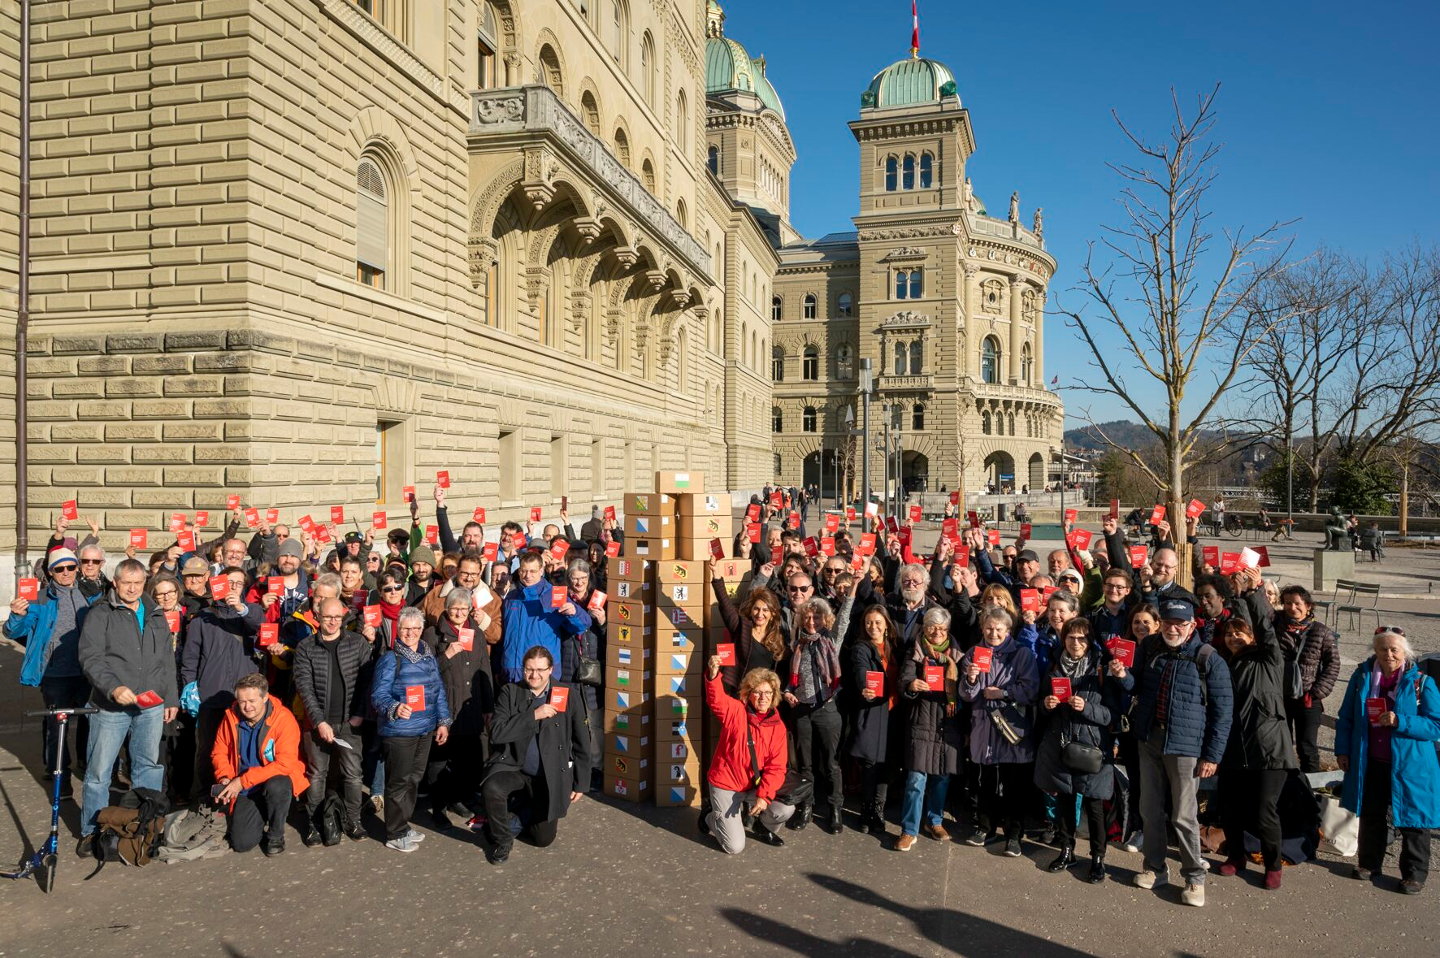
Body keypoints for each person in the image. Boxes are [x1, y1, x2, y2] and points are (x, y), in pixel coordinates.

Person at [1121, 595, 1233, 907]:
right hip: (1150, 740)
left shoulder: (1209, 659)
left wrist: (1212, 756)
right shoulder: (1150, 648)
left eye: (1180, 624)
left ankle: (1195, 879)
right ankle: (1154, 868)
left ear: (1192, 625)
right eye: (1169, 622)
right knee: (1150, 810)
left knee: (1184, 816)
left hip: (1187, 748)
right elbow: (1137, 686)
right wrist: (1122, 676)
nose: (1173, 629)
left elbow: (1223, 714)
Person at [75, 558, 179, 856]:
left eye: (137, 582)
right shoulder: (100, 613)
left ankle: (144, 829)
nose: (132, 588)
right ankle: (91, 831)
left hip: (151, 705)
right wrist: (112, 687)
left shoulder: (156, 613)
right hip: (111, 707)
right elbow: (90, 658)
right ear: (115, 583)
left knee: (148, 766)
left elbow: (166, 660)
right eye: (126, 583)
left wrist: (170, 697)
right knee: (99, 772)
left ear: (144, 582)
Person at [1335, 627, 1440, 895]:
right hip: (1371, 760)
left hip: (1411, 765)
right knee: (1371, 815)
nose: (1388, 654)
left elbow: (1436, 725)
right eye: (1383, 649)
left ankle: (1414, 875)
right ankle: (1369, 864)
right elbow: (1347, 717)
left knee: (1414, 821)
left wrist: (1401, 721)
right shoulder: (1362, 678)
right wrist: (1342, 751)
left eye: (1394, 649)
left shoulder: (1421, 682)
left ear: (1405, 652)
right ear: (1375, 651)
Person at [1211, 573, 1294, 890]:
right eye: (1229, 633)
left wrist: (1254, 592)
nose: (1233, 638)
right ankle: (1236, 856)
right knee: (1230, 808)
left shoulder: (1269, 658)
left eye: (1239, 633)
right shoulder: (1223, 664)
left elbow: (1265, 626)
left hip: (1269, 748)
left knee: (1264, 811)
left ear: (1253, 636)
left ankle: (1273, 863)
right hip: (1234, 747)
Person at [480, 645, 591, 865]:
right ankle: (503, 840)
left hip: (548, 775)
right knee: (492, 787)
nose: (534, 675)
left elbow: (582, 741)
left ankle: (518, 814)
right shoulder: (510, 691)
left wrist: (581, 783)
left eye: (541, 669)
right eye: (529, 669)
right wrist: (533, 715)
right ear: (523, 669)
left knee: (543, 839)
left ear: (551, 670)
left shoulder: (567, 694)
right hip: (515, 767)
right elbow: (497, 733)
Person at [7, 547, 101, 797]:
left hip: (85, 672)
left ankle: (86, 764)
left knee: (91, 720)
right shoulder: (39, 598)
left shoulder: (88, 594)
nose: (66, 572)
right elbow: (13, 632)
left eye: (71, 567)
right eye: (60, 569)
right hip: (54, 674)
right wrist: (16, 615)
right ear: (50, 572)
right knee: (56, 725)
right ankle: (60, 774)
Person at [1033, 618, 1119, 883]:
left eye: (1082, 638)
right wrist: (1047, 704)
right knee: (1066, 800)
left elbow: (1112, 715)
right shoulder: (1055, 666)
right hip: (1061, 743)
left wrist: (1087, 707)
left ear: (1089, 640)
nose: (1076, 643)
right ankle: (1067, 849)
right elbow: (1042, 706)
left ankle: (1097, 858)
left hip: (1091, 745)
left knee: (1094, 805)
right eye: (1071, 638)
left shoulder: (1101, 670)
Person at [958, 606, 1039, 856]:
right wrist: (971, 679)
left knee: (1014, 785)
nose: (993, 633)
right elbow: (968, 695)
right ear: (982, 628)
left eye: (999, 629)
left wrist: (1003, 693)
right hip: (984, 726)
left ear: (1008, 630)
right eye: (989, 628)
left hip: (1011, 728)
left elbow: (1031, 690)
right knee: (986, 782)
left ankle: (1014, 834)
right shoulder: (973, 653)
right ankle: (986, 827)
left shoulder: (1022, 654)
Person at [181, 565, 265, 803]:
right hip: (211, 697)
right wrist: (191, 690)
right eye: (229, 583)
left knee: (244, 750)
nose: (233, 588)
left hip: (245, 699)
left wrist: (240, 607)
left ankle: (244, 798)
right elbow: (189, 660)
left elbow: (260, 627)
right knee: (207, 751)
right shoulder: (202, 619)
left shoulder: (252, 613)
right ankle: (202, 799)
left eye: (238, 584)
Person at [370, 607, 451, 853]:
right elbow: (378, 695)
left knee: (414, 779)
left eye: (416, 628)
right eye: (406, 628)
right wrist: (394, 707)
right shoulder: (390, 659)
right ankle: (394, 832)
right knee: (398, 782)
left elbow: (438, 692)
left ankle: (403, 825)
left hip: (425, 729)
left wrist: (443, 721)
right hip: (399, 731)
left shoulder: (428, 656)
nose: (411, 633)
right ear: (398, 629)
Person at [292, 597, 371, 844]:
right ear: (318, 617)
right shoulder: (305, 647)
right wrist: (319, 722)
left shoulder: (357, 643)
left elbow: (366, 683)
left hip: (350, 722)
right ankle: (314, 825)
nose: (333, 622)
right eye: (328, 617)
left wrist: (359, 714)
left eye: (338, 617)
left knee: (353, 775)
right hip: (318, 724)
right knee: (317, 774)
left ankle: (353, 820)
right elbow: (304, 687)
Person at [700, 656, 794, 853]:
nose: (763, 697)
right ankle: (711, 817)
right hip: (727, 783)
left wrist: (764, 796)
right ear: (748, 694)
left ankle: (763, 827)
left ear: (774, 695)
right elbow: (716, 700)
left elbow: (776, 768)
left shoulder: (778, 727)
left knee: (785, 809)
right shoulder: (735, 711)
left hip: (753, 785)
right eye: (757, 692)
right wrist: (714, 674)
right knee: (734, 847)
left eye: (768, 692)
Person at [782, 591, 856, 835]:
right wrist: (787, 691)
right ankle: (806, 807)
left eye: (816, 618)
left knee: (831, 763)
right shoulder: (796, 643)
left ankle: (835, 809)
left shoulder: (831, 640)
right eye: (807, 618)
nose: (811, 623)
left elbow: (845, 615)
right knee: (805, 763)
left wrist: (854, 585)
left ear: (825, 620)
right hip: (801, 709)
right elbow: (791, 679)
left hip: (827, 708)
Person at [210, 672, 308, 855]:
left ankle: (276, 835)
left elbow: (285, 763)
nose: (247, 707)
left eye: (252, 701)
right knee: (241, 843)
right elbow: (219, 752)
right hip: (246, 786)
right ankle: (262, 812)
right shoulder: (230, 717)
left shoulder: (283, 719)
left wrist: (241, 782)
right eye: (242, 701)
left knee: (278, 785)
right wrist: (224, 777)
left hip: (270, 780)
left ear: (265, 697)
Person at [895, 607, 966, 853]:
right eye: (932, 627)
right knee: (916, 778)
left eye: (942, 628)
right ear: (924, 628)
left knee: (942, 777)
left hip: (948, 723)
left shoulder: (958, 654)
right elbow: (903, 682)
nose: (937, 632)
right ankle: (909, 829)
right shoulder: (914, 652)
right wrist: (912, 684)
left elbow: (966, 690)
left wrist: (971, 680)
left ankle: (934, 821)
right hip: (922, 720)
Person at [427, 588, 495, 827]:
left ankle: (457, 798)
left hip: (471, 706)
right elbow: (426, 673)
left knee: (468, 761)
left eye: (463, 608)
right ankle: (438, 806)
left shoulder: (475, 633)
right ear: (447, 608)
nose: (458, 612)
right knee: (439, 761)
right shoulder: (433, 635)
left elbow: (484, 670)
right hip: (445, 708)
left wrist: (488, 706)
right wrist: (446, 655)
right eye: (454, 607)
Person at [846, 604, 902, 836]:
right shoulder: (861, 648)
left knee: (888, 765)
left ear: (887, 625)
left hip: (894, 713)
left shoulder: (894, 648)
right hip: (872, 711)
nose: (873, 627)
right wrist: (865, 688)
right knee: (870, 765)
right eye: (869, 622)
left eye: (878, 622)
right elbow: (861, 671)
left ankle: (877, 809)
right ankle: (867, 811)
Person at [1274, 585, 1340, 773]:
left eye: (1297, 603)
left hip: (1308, 698)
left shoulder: (1322, 632)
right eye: (1287, 603)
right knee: (1281, 744)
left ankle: (1311, 789)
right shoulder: (1276, 626)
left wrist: (1317, 692)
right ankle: (1285, 785)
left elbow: (1332, 664)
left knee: (1307, 746)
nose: (1292, 607)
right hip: (1281, 696)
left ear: (1308, 606)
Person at [498, 552, 591, 683]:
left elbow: (583, 624)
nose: (527, 575)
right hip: (511, 671)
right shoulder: (512, 597)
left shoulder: (552, 594)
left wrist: (573, 612)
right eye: (523, 571)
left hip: (541, 673)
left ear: (541, 570)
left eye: (532, 571)